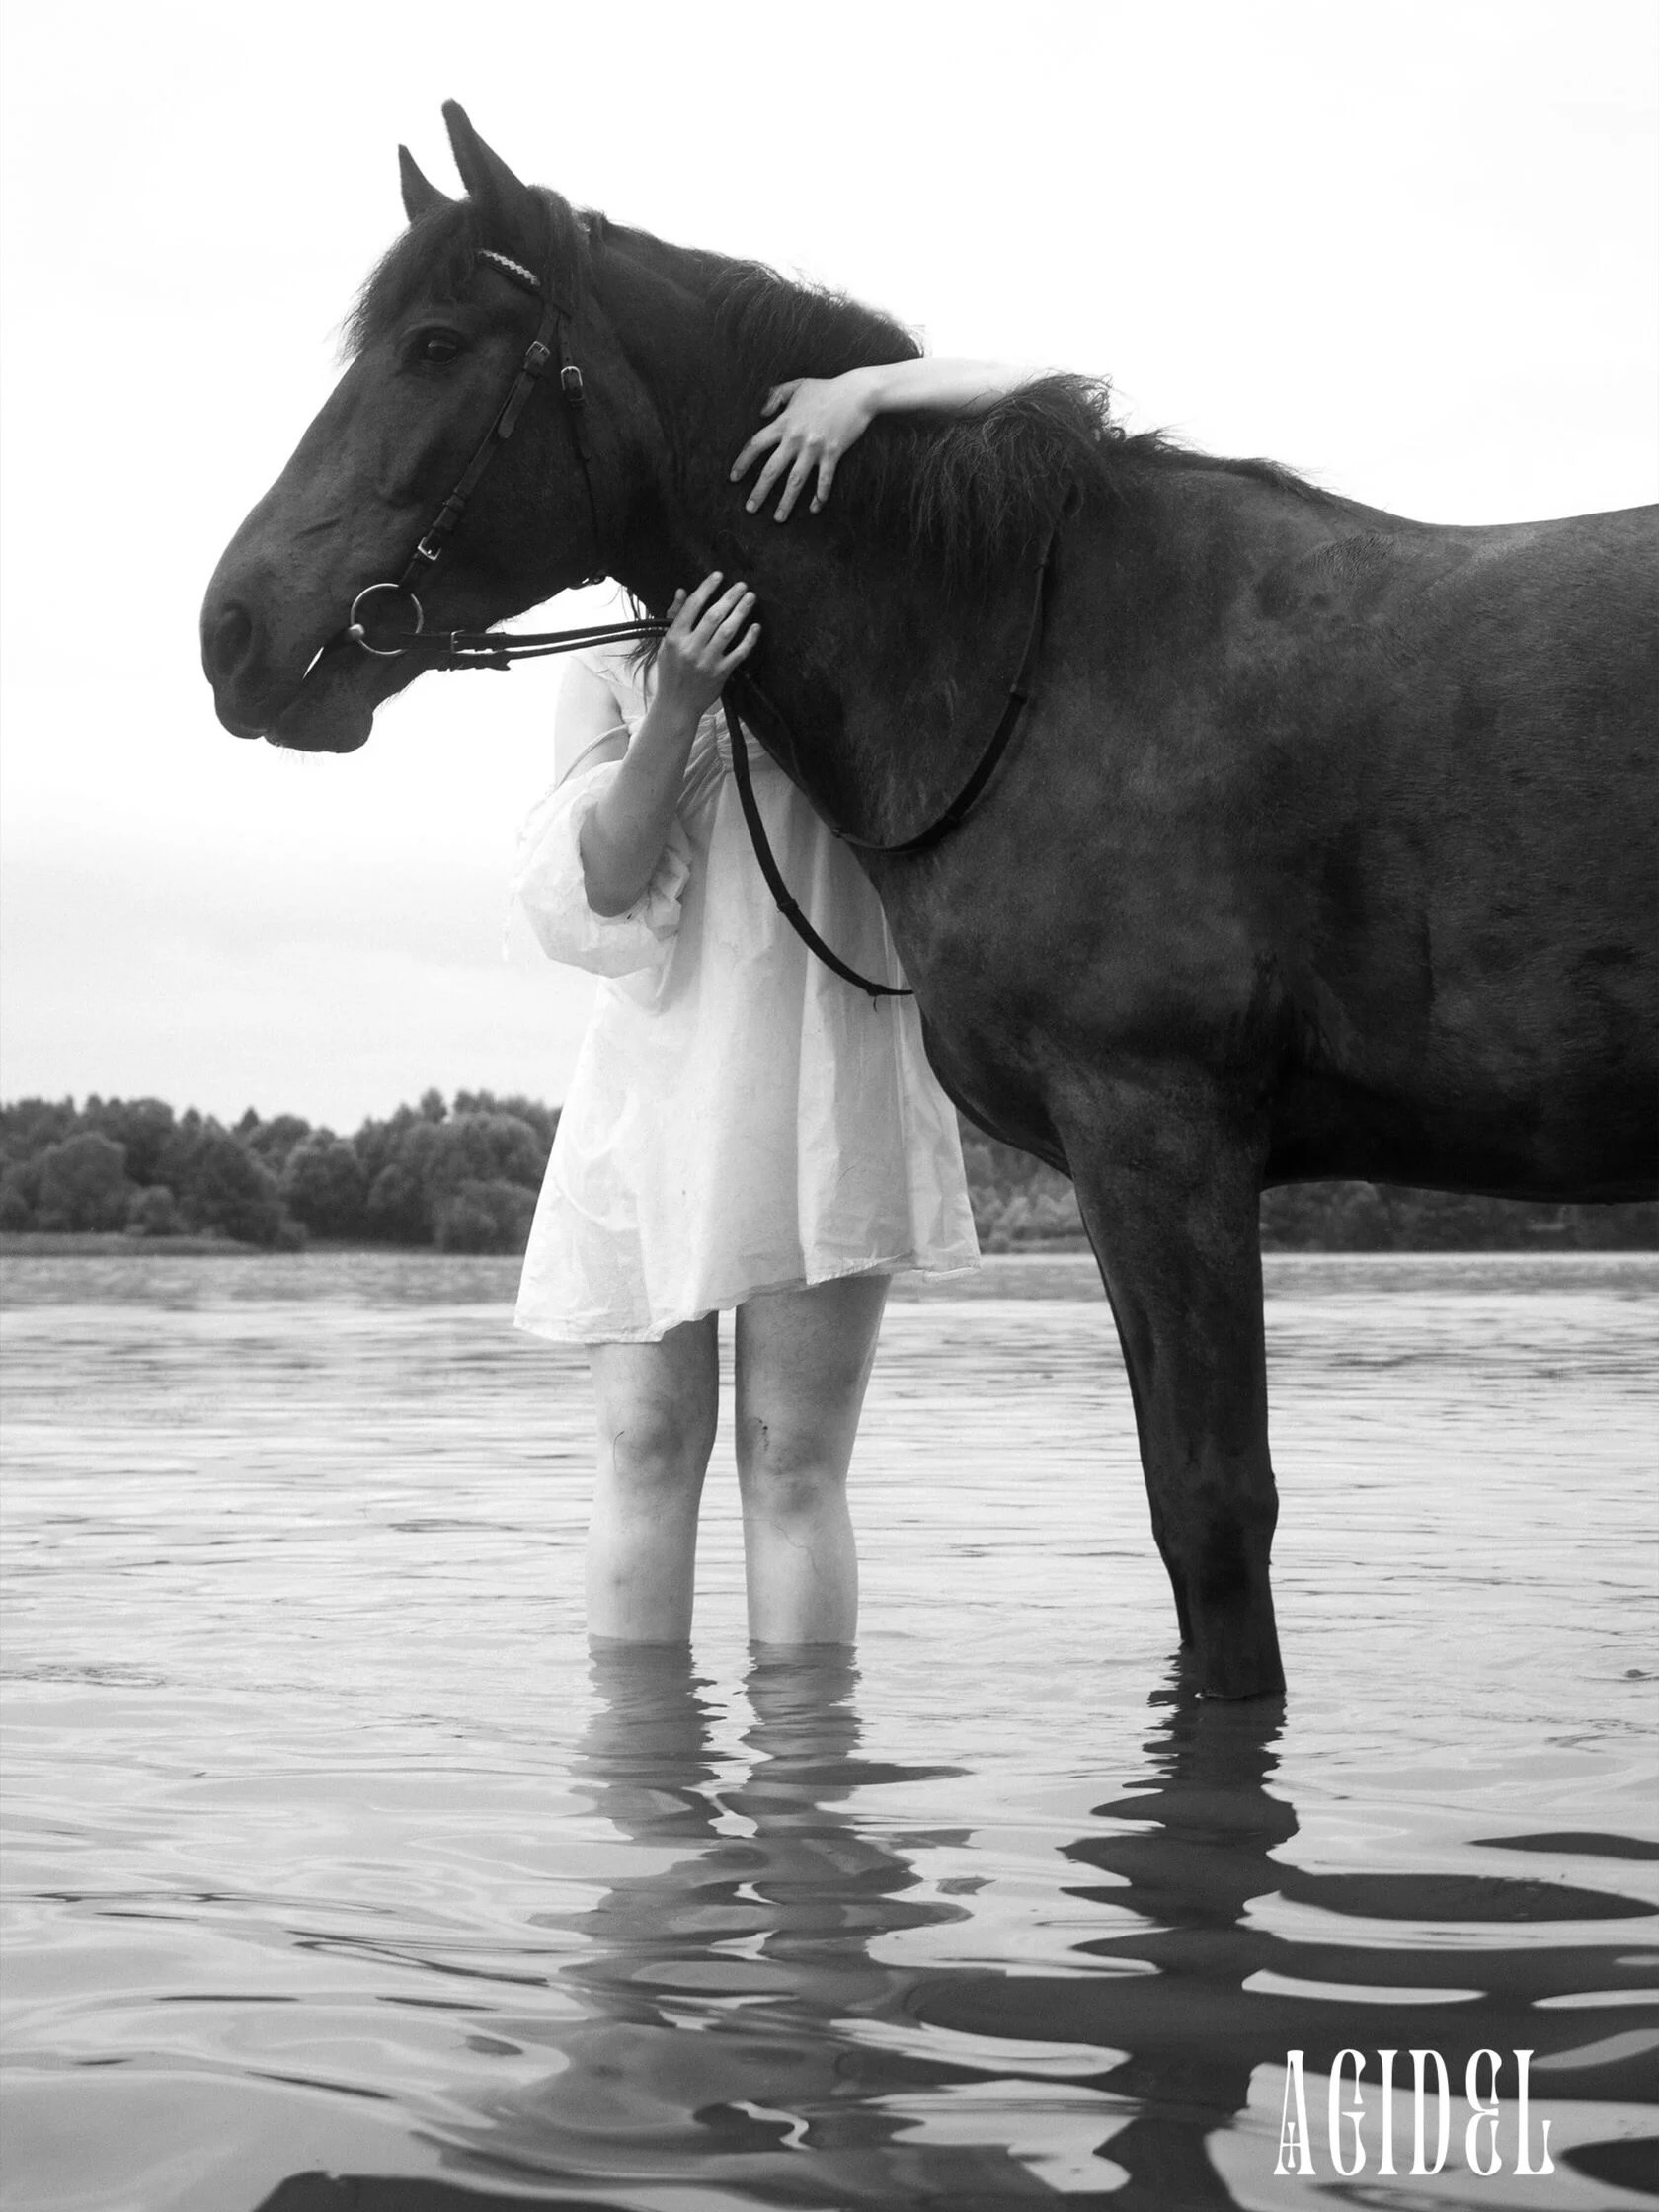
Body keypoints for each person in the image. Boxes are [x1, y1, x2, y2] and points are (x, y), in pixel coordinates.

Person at [514, 359, 1035, 1648]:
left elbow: (1047, 404)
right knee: (644, 1439)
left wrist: (865, 389)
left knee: (791, 1462)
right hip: (656, 1079)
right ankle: (651, 1802)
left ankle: (805, 1811)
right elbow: (605, 881)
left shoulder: (869, 599)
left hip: (820, 1065)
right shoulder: (612, 653)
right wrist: (678, 699)